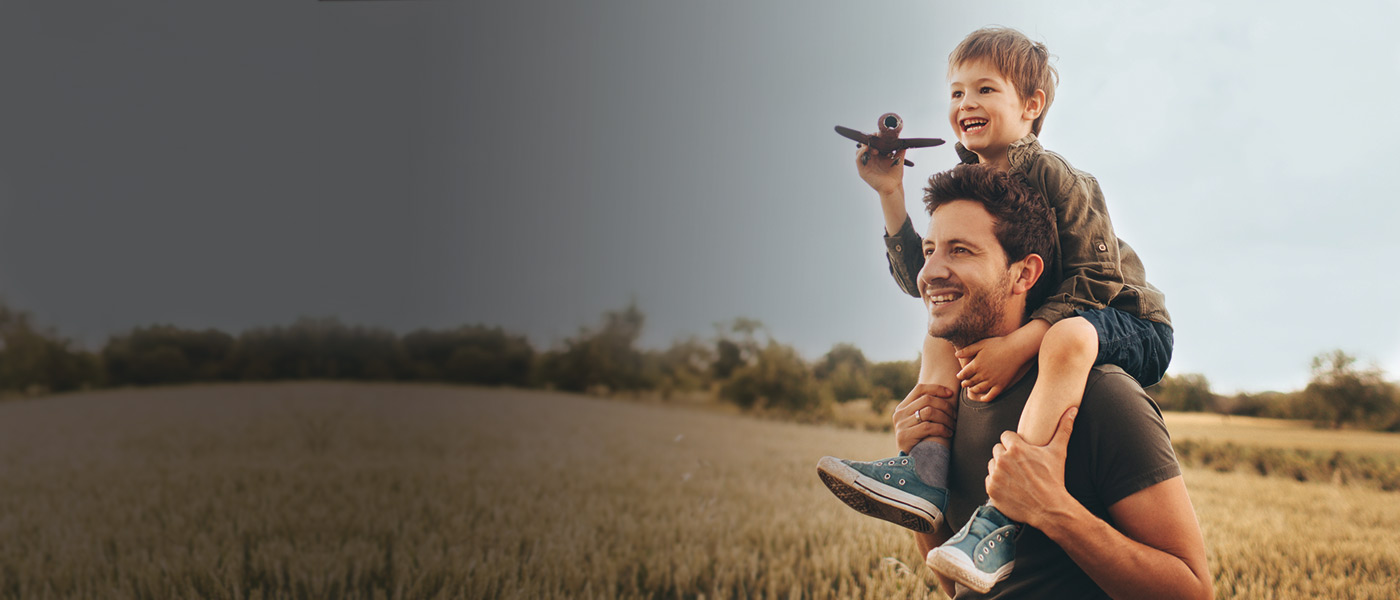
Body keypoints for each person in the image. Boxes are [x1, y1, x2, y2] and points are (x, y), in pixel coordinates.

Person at [817, 27, 1174, 592]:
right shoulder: (975, 186)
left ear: (1032, 106)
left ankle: (1004, 516)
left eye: (985, 90)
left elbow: (1096, 280)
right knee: (944, 317)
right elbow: (926, 281)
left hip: (1125, 319)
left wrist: (1020, 343)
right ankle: (926, 470)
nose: (966, 104)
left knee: (1069, 339)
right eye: (956, 93)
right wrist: (891, 195)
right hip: (1053, 320)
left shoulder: (1056, 176)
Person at [898, 164, 1210, 598]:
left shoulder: (1102, 397)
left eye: (961, 251)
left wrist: (1053, 510)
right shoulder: (952, 399)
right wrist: (922, 485)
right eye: (929, 250)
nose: (930, 271)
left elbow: (1192, 592)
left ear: (1024, 274)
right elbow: (955, 584)